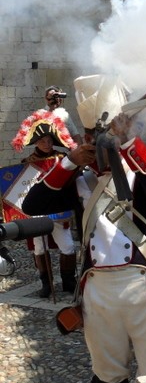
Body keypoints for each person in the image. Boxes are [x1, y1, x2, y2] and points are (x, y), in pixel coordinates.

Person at [22, 74, 146, 383]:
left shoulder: (139, 162)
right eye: (92, 135)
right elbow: (32, 204)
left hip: (145, 283)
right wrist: (70, 162)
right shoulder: (78, 176)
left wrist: (128, 142)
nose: (97, 142)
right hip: (97, 291)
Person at [12, 109, 78, 297]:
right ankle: (46, 283)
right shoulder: (27, 163)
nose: (47, 144)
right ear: (36, 142)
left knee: (68, 247)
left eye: (49, 140)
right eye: (42, 141)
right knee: (40, 248)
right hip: (37, 214)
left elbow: (69, 182)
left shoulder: (62, 160)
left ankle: (68, 281)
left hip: (58, 212)